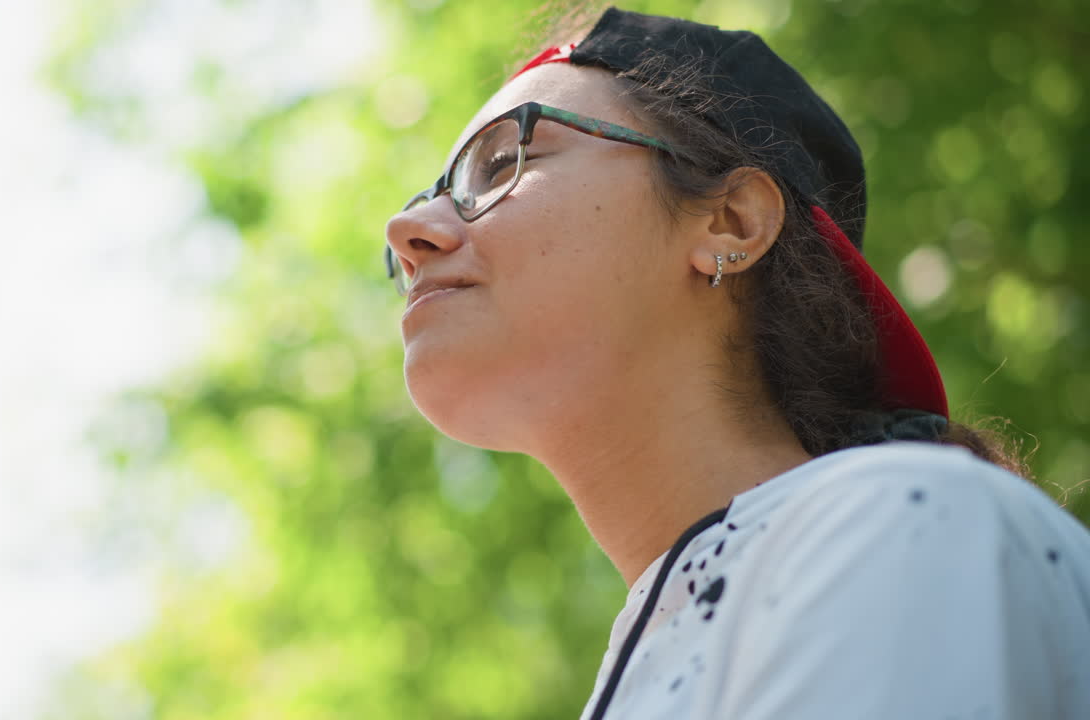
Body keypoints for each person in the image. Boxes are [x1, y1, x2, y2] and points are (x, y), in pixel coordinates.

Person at [383, 6, 1090, 719]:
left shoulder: (899, 523)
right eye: (430, 195)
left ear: (731, 222)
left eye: (501, 163)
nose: (407, 231)